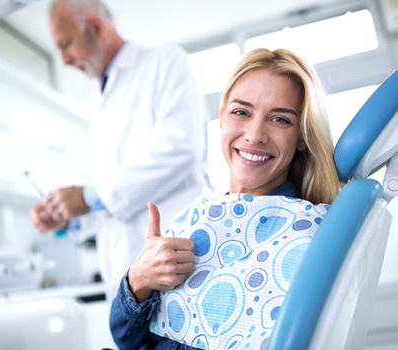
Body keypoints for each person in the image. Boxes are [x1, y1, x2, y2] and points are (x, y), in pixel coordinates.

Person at [109, 48, 341, 349]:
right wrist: (137, 281)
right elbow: (127, 339)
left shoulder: (309, 233)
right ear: (222, 119)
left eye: (280, 119)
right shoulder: (195, 218)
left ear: (301, 137)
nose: (255, 135)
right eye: (241, 112)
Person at [29, 0, 209, 300]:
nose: (63, 60)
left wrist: (86, 197)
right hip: (127, 278)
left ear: (96, 27)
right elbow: (114, 196)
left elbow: (180, 147)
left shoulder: (164, 62)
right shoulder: (99, 98)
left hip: (176, 264)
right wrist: (69, 214)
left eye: (66, 44)